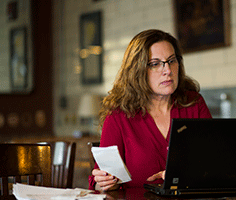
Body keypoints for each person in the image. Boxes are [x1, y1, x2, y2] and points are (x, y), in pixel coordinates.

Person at [89, 29, 212, 191]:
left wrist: (184, 175)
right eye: (155, 64)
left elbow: (214, 163)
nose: (167, 70)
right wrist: (105, 183)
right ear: (137, 71)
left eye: (172, 61)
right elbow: (98, 183)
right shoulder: (118, 116)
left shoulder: (194, 103)